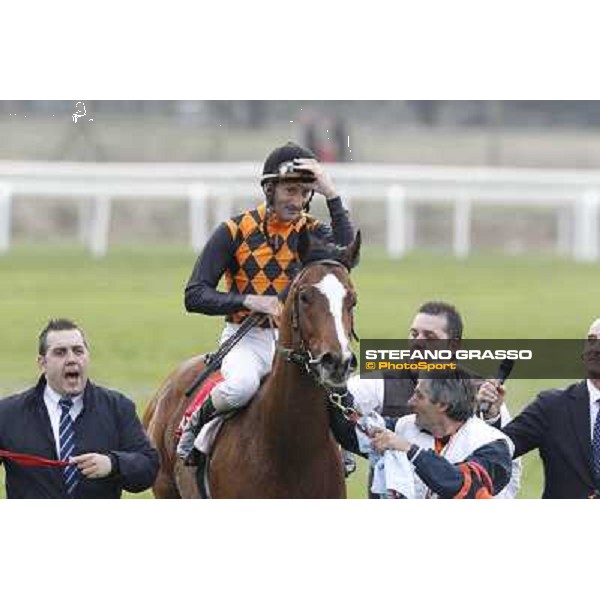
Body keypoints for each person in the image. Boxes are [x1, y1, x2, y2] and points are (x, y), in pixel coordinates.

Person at [177, 141, 354, 464]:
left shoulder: (312, 231)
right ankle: (195, 428)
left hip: (299, 340)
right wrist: (249, 300)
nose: (297, 201)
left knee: (334, 386)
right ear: (269, 189)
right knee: (241, 387)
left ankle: (340, 450)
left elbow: (346, 252)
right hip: (246, 339)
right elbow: (195, 294)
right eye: (290, 191)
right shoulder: (234, 230)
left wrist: (330, 193)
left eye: (304, 193)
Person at [337, 300, 519, 497]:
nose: (418, 342)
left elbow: (506, 471)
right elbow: (340, 413)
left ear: (454, 345)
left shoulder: (484, 399)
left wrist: (492, 417)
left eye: (429, 337)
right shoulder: (380, 384)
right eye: (414, 334)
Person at [0, 318, 159, 499]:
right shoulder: (7, 413)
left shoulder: (118, 408)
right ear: (42, 363)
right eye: (60, 353)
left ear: (87, 357)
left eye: (78, 351)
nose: (71, 359)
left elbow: (149, 467)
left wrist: (113, 464)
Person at [482, 317, 600, 498]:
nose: (594, 348)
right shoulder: (552, 407)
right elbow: (501, 450)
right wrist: (492, 416)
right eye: (591, 341)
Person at [369, 374, 514, 499]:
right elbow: (356, 434)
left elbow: (462, 486)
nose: (410, 402)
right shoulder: (404, 426)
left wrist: (410, 450)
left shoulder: (493, 446)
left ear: (443, 404)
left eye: (419, 396)